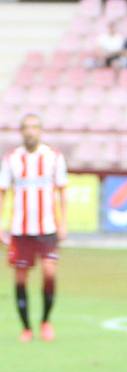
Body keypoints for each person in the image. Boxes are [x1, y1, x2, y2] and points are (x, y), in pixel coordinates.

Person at [0, 115, 68, 343]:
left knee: (49, 273)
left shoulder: (53, 157)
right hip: (20, 230)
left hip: (47, 229)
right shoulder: (12, 159)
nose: (30, 132)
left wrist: (63, 223)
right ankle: (26, 327)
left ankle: (46, 321)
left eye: (34, 127)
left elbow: (61, 191)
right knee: (21, 279)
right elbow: (2, 192)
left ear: (40, 130)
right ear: (21, 131)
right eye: (26, 128)